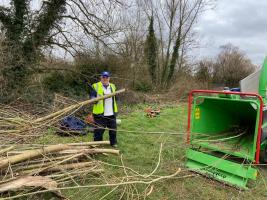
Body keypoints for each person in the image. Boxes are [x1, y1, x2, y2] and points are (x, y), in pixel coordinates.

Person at [89, 71, 118, 147]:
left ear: (109, 78)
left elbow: (115, 99)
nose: (105, 78)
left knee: (113, 130)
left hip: (111, 113)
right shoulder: (95, 86)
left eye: (107, 77)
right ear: (101, 77)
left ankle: (113, 143)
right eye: (103, 77)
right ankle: (97, 144)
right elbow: (92, 96)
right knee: (99, 131)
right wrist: (94, 99)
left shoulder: (113, 86)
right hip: (100, 114)